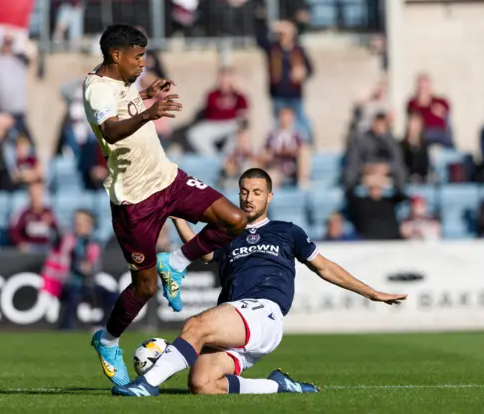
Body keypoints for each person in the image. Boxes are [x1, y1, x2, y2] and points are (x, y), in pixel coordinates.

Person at [112, 168, 407, 397]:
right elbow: (202, 254)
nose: (249, 197)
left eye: (257, 192)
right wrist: (177, 218)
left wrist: (371, 293)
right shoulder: (227, 232)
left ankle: (146, 384)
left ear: (269, 197)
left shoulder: (287, 231)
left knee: (195, 326)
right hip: (237, 317)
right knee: (202, 384)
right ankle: (277, 386)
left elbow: (325, 267)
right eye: (244, 191)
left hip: (263, 312)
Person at [82, 24, 247, 386]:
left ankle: (177, 262)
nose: (143, 64)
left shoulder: (123, 82)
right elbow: (110, 130)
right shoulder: (96, 88)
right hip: (134, 201)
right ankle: (108, 341)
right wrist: (148, 113)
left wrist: (143, 98)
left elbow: (125, 107)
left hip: (167, 179)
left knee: (235, 220)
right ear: (116, 55)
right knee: (144, 288)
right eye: (138, 57)